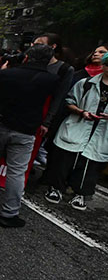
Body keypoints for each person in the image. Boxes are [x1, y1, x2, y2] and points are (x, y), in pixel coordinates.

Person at [0, 45, 59, 228]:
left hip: (0, 125)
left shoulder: (8, 74)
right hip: (26, 131)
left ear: (26, 57)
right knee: (17, 171)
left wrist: (1, 73)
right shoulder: (52, 80)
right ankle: (9, 213)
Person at [44, 53, 108, 211]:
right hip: (79, 124)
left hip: (101, 131)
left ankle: (80, 194)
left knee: (90, 164)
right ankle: (56, 188)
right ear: (104, 65)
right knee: (64, 159)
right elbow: (69, 101)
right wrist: (82, 112)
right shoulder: (86, 83)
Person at [30, 34, 75, 168]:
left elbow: (59, 97)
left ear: (52, 47)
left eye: (39, 44)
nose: (34, 47)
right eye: (33, 44)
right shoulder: (28, 63)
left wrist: (47, 122)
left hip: (43, 113)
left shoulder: (64, 69)